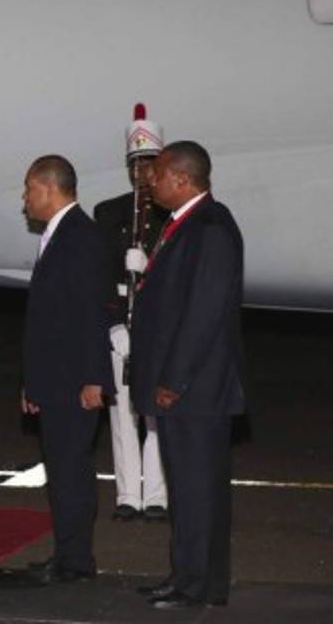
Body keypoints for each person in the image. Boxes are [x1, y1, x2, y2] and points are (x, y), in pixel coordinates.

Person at [130, 141, 244, 610]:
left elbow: (203, 313)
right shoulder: (187, 224)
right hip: (189, 388)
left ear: (181, 178)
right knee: (190, 488)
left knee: (197, 491)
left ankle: (196, 584)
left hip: (194, 390)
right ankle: (193, 577)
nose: (149, 182)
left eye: (156, 174)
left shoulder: (210, 228)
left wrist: (173, 379)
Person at [19, 154, 113, 584]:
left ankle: (76, 560)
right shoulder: (58, 235)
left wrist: (95, 377)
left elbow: (92, 312)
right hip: (54, 379)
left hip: (76, 381)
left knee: (71, 469)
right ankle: (66, 553)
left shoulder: (81, 236)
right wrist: (32, 381)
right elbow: (48, 319)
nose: (25, 200)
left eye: (29, 190)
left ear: (50, 187)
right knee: (60, 469)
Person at [92, 104, 169, 523]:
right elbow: (98, 275)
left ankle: (156, 493)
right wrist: (113, 323)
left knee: (155, 414)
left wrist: (150, 270)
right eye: (135, 164)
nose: (142, 173)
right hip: (121, 321)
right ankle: (128, 494)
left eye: (149, 164)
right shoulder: (109, 213)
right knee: (122, 415)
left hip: (156, 326)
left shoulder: (169, 214)